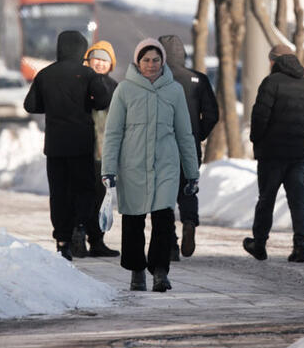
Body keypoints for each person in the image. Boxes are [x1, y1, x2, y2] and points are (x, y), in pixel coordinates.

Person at [101, 38, 200, 292]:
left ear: (163, 61)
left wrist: (192, 173)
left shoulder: (174, 90)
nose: (151, 64)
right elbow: (113, 133)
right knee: (133, 221)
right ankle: (137, 271)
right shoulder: (124, 90)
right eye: (146, 60)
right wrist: (108, 169)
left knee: (163, 219)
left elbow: (184, 134)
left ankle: (159, 272)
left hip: (166, 165)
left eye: (156, 60)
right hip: (132, 165)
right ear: (138, 62)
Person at [24, 30, 110, 261]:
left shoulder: (45, 74)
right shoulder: (88, 74)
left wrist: (51, 106)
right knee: (84, 189)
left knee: (59, 193)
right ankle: (80, 226)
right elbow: (103, 101)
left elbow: (30, 105)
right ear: (82, 49)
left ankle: (62, 240)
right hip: (81, 143)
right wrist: (87, 103)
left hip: (55, 145)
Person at [243, 44, 304, 263]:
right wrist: (298, 136)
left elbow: (260, 116)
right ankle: (300, 245)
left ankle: (259, 244)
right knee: (298, 199)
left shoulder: (271, 83)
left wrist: (257, 139)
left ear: (274, 61)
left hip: (272, 153)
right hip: (297, 153)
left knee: (266, 198)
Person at [158, 35, 219, 260]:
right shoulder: (198, 79)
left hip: (161, 147)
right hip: (189, 146)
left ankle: (170, 245)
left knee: (163, 195)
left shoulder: (154, 79)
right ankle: (190, 222)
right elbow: (212, 114)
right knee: (188, 188)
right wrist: (197, 134)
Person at [83, 40, 120, 257]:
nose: (99, 63)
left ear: (111, 64)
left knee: (100, 196)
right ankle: (78, 236)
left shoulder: (115, 87)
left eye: (104, 60)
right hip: (83, 147)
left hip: (104, 150)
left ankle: (97, 240)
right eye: (96, 58)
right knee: (82, 194)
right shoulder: (80, 82)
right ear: (88, 60)